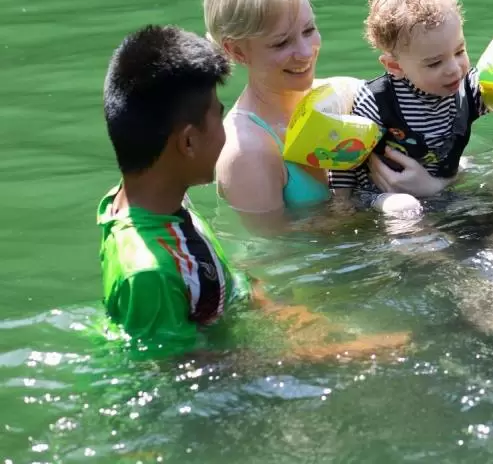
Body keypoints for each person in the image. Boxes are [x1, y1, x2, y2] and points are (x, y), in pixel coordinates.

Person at [98, 24, 408, 360]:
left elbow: (227, 287)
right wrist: (347, 353)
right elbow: (185, 374)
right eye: (218, 117)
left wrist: (295, 319)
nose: (228, 129)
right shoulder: (148, 274)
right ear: (188, 142)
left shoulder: (155, 201)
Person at [203, 0, 349, 233]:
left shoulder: (340, 95)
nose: (306, 52)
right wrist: (351, 206)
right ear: (236, 51)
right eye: (281, 43)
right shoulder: (247, 153)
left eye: (309, 30)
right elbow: (278, 257)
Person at [329, 0, 489, 215]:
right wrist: (341, 205)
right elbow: (342, 159)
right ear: (395, 67)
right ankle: (424, 250)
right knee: (405, 207)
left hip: (439, 187)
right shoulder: (375, 102)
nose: (454, 69)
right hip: (380, 196)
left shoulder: (469, 89)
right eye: (435, 63)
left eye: (459, 51)